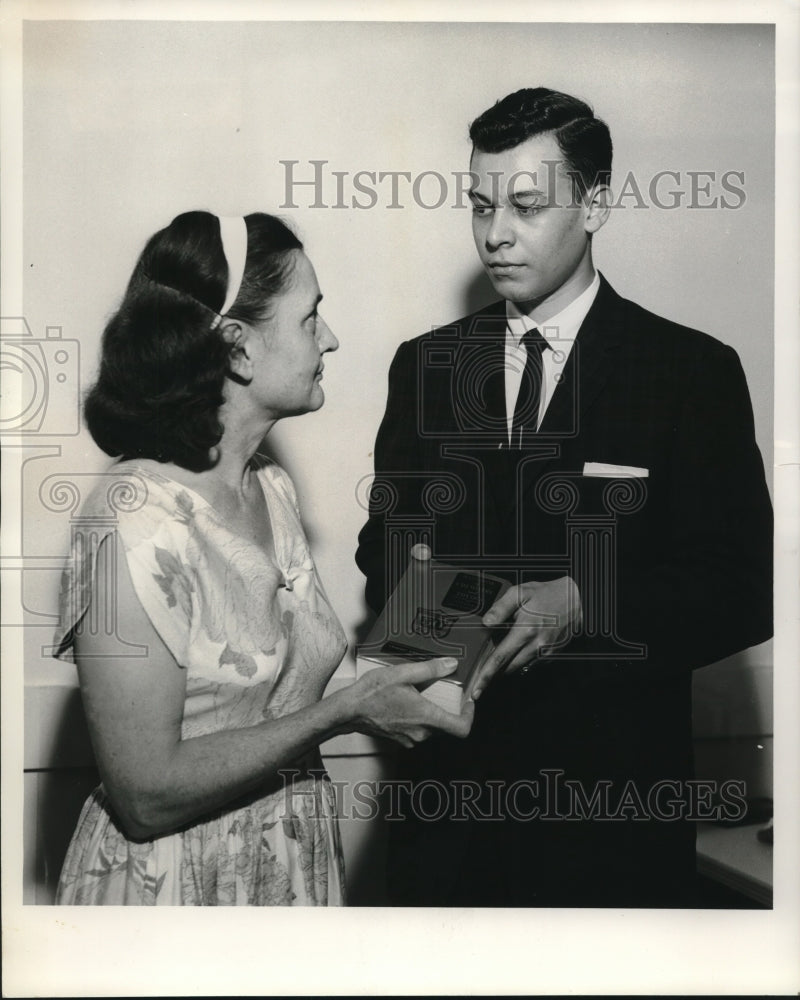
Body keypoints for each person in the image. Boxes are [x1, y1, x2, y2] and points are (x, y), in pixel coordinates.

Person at [356, 88, 773, 907]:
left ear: (596, 205)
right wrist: (446, 604)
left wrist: (588, 601)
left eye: (524, 205)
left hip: (611, 830)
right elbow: (383, 550)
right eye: (480, 206)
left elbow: (746, 583)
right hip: (448, 820)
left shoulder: (690, 372)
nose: (494, 234)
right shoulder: (424, 364)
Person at [53, 210, 473, 906]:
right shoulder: (127, 523)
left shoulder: (270, 489)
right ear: (239, 348)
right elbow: (145, 794)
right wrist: (342, 716)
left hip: (286, 865)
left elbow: (295, 686)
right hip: (176, 894)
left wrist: (460, 619)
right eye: (311, 319)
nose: (329, 339)